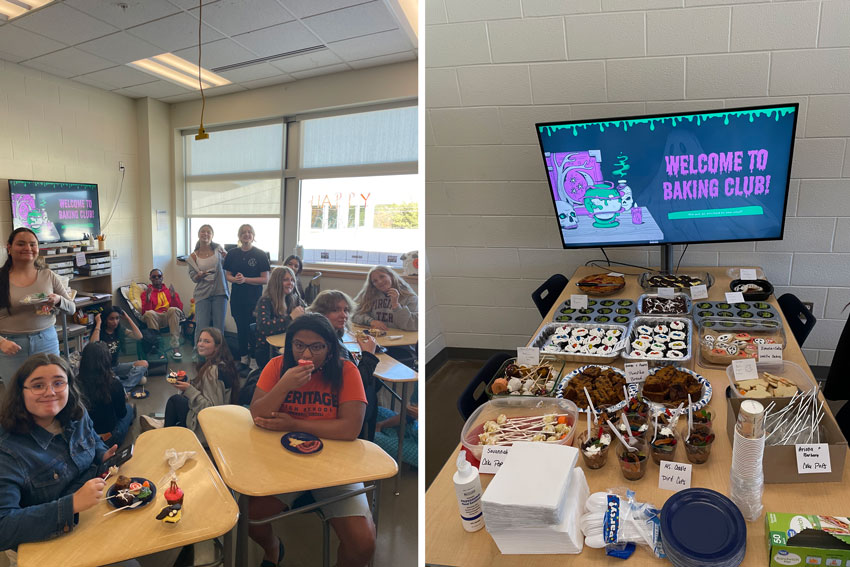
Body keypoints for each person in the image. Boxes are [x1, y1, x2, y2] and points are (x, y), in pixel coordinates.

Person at [249, 314, 373, 567]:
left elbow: (350, 428)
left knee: (363, 544)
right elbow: (257, 414)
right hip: (283, 464)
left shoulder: (347, 371)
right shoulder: (276, 366)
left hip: (336, 468)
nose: (306, 353)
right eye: (298, 345)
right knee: (249, 518)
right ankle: (273, 547)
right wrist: (284, 385)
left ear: (329, 349)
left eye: (316, 346)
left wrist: (294, 424)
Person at [0, 354, 118, 556]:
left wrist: (102, 455)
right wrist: (72, 504)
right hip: (46, 541)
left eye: (58, 383)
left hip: (93, 513)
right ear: (21, 392)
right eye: (38, 385)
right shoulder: (7, 451)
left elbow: (94, 440)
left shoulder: (76, 412)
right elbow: (4, 528)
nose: (50, 392)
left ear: (69, 387)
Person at [139, 328, 239, 444]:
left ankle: (166, 434)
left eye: (206, 341)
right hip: (221, 424)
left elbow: (210, 410)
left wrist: (188, 389)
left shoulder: (212, 371)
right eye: (200, 340)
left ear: (217, 347)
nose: (201, 344)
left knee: (175, 400)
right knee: (181, 399)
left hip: (207, 432)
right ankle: (168, 424)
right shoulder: (223, 364)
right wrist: (187, 383)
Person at [0, 228, 75, 381]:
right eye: (21, 244)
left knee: (49, 390)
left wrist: (58, 300)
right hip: (10, 346)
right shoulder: (1, 278)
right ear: (9, 247)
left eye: (32, 244)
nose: (28, 248)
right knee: (15, 396)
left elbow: (71, 308)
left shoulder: (48, 275)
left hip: (46, 341)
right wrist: (1, 342)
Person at [308, 290, 380, 441]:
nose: (344, 315)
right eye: (335, 310)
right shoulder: (330, 344)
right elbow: (356, 382)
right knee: (372, 391)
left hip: (329, 394)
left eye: (346, 310)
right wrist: (368, 355)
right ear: (321, 313)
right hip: (335, 402)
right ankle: (365, 439)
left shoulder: (328, 335)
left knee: (377, 384)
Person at [224, 224, 270, 368]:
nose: (246, 234)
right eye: (243, 232)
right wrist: (235, 279)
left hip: (254, 300)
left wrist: (246, 280)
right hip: (237, 299)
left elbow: (265, 279)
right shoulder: (232, 254)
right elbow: (227, 275)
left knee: (254, 330)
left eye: (249, 232)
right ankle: (243, 359)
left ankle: (254, 361)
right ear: (239, 236)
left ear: (253, 236)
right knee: (241, 329)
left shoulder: (260, 255)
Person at [77, 342, 134, 446]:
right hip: (109, 439)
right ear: (107, 361)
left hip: (83, 439)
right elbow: (121, 413)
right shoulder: (114, 384)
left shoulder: (74, 384)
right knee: (129, 409)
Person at [254, 267, 306, 370]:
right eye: (285, 280)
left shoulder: (293, 298)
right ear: (276, 282)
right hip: (268, 350)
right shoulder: (266, 301)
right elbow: (263, 327)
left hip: (286, 345)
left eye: (292, 280)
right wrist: (290, 318)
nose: (290, 283)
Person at [186, 224, 229, 348]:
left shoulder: (219, 250)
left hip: (220, 292)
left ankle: (219, 355)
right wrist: (199, 275)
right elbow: (193, 277)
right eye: (203, 232)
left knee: (218, 327)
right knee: (201, 327)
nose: (205, 234)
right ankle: (198, 355)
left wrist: (227, 257)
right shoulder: (193, 256)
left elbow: (229, 265)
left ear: (212, 235)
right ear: (198, 234)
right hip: (202, 294)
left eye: (208, 232)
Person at [91, 306, 148, 393]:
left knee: (144, 364)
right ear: (105, 319)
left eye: (117, 318)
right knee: (137, 379)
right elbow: (93, 345)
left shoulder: (120, 330)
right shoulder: (100, 332)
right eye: (111, 319)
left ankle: (122, 388)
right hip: (104, 370)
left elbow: (139, 336)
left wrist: (128, 318)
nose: (115, 322)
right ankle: (125, 384)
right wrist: (98, 323)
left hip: (117, 366)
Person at [351, 265, 418, 332]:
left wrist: (396, 305)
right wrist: (371, 321)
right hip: (376, 338)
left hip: (403, 339)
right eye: (375, 281)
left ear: (391, 276)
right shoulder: (370, 295)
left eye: (382, 276)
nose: (379, 282)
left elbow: (413, 324)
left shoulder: (410, 297)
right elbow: (353, 314)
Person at [140, 268, 184, 360]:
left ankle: (175, 347)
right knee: (149, 313)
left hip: (168, 316)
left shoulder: (170, 291)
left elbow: (179, 309)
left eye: (159, 276)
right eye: (154, 276)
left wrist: (173, 298)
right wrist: (148, 300)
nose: (157, 278)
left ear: (162, 277)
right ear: (150, 278)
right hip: (155, 317)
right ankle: (158, 347)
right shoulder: (145, 293)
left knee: (173, 309)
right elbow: (144, 313)